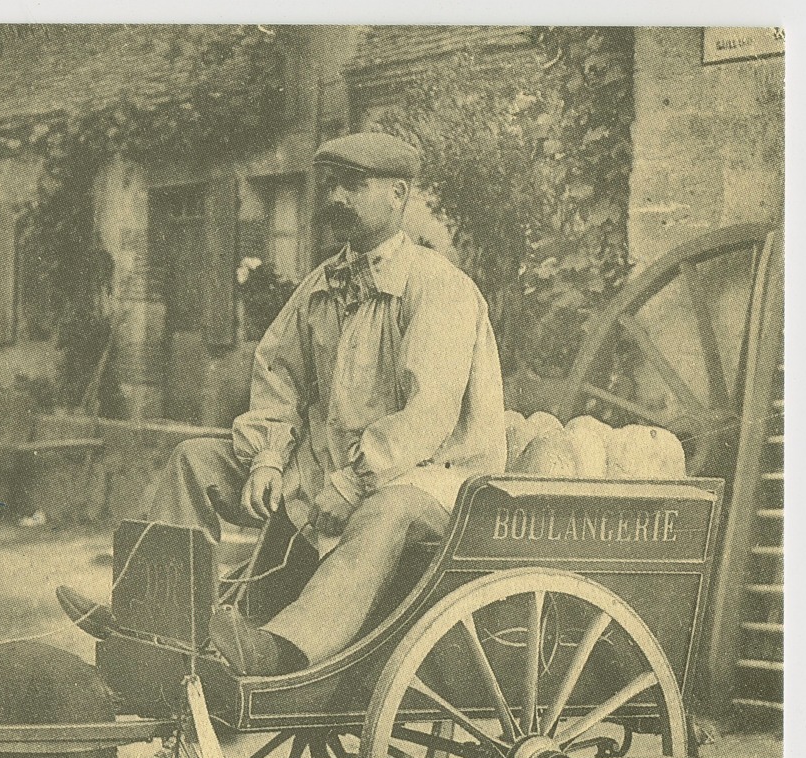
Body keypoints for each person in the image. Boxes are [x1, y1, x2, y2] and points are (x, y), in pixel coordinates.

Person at [57, 131, 506, 675]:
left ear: (399, 195)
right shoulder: (322, 284)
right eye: (333, 184)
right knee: (195, 462)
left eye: (356, 185)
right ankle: (156, 618)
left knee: (388, 509)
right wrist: (269, 456)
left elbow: (427, 416)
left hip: (432, 480)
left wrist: (355, 480)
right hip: (334, 463)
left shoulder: (440, 289)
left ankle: (281, 648)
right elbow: (279, 373)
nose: (336, 198)